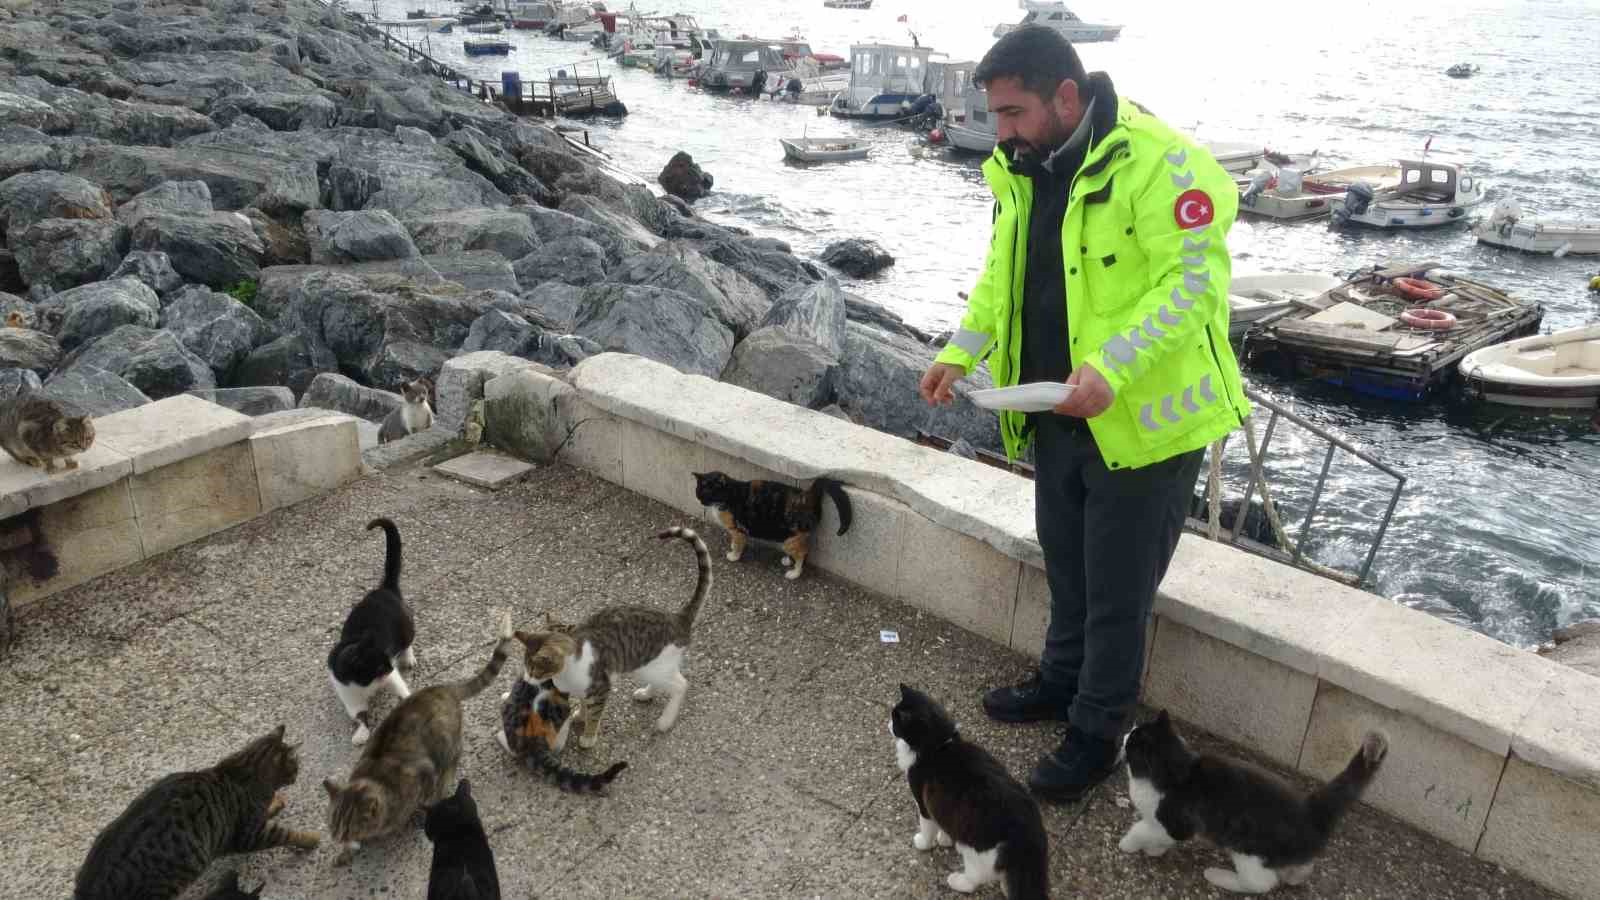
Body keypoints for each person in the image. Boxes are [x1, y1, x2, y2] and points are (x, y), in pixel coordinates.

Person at [918, 26, 1252, 803]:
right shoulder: (1023, 166)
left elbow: (1193, 286)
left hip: (1141, 423)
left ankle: (1098, 735)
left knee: (1117, 594)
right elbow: (1002, 276)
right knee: (1066, 566)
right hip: (1052, 410)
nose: (998, 132)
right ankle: (1060, 683)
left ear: (1065, 96)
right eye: (994, 114)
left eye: (1012, 112)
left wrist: (1115, 366)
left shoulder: (1164, 163)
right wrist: (959, 351)